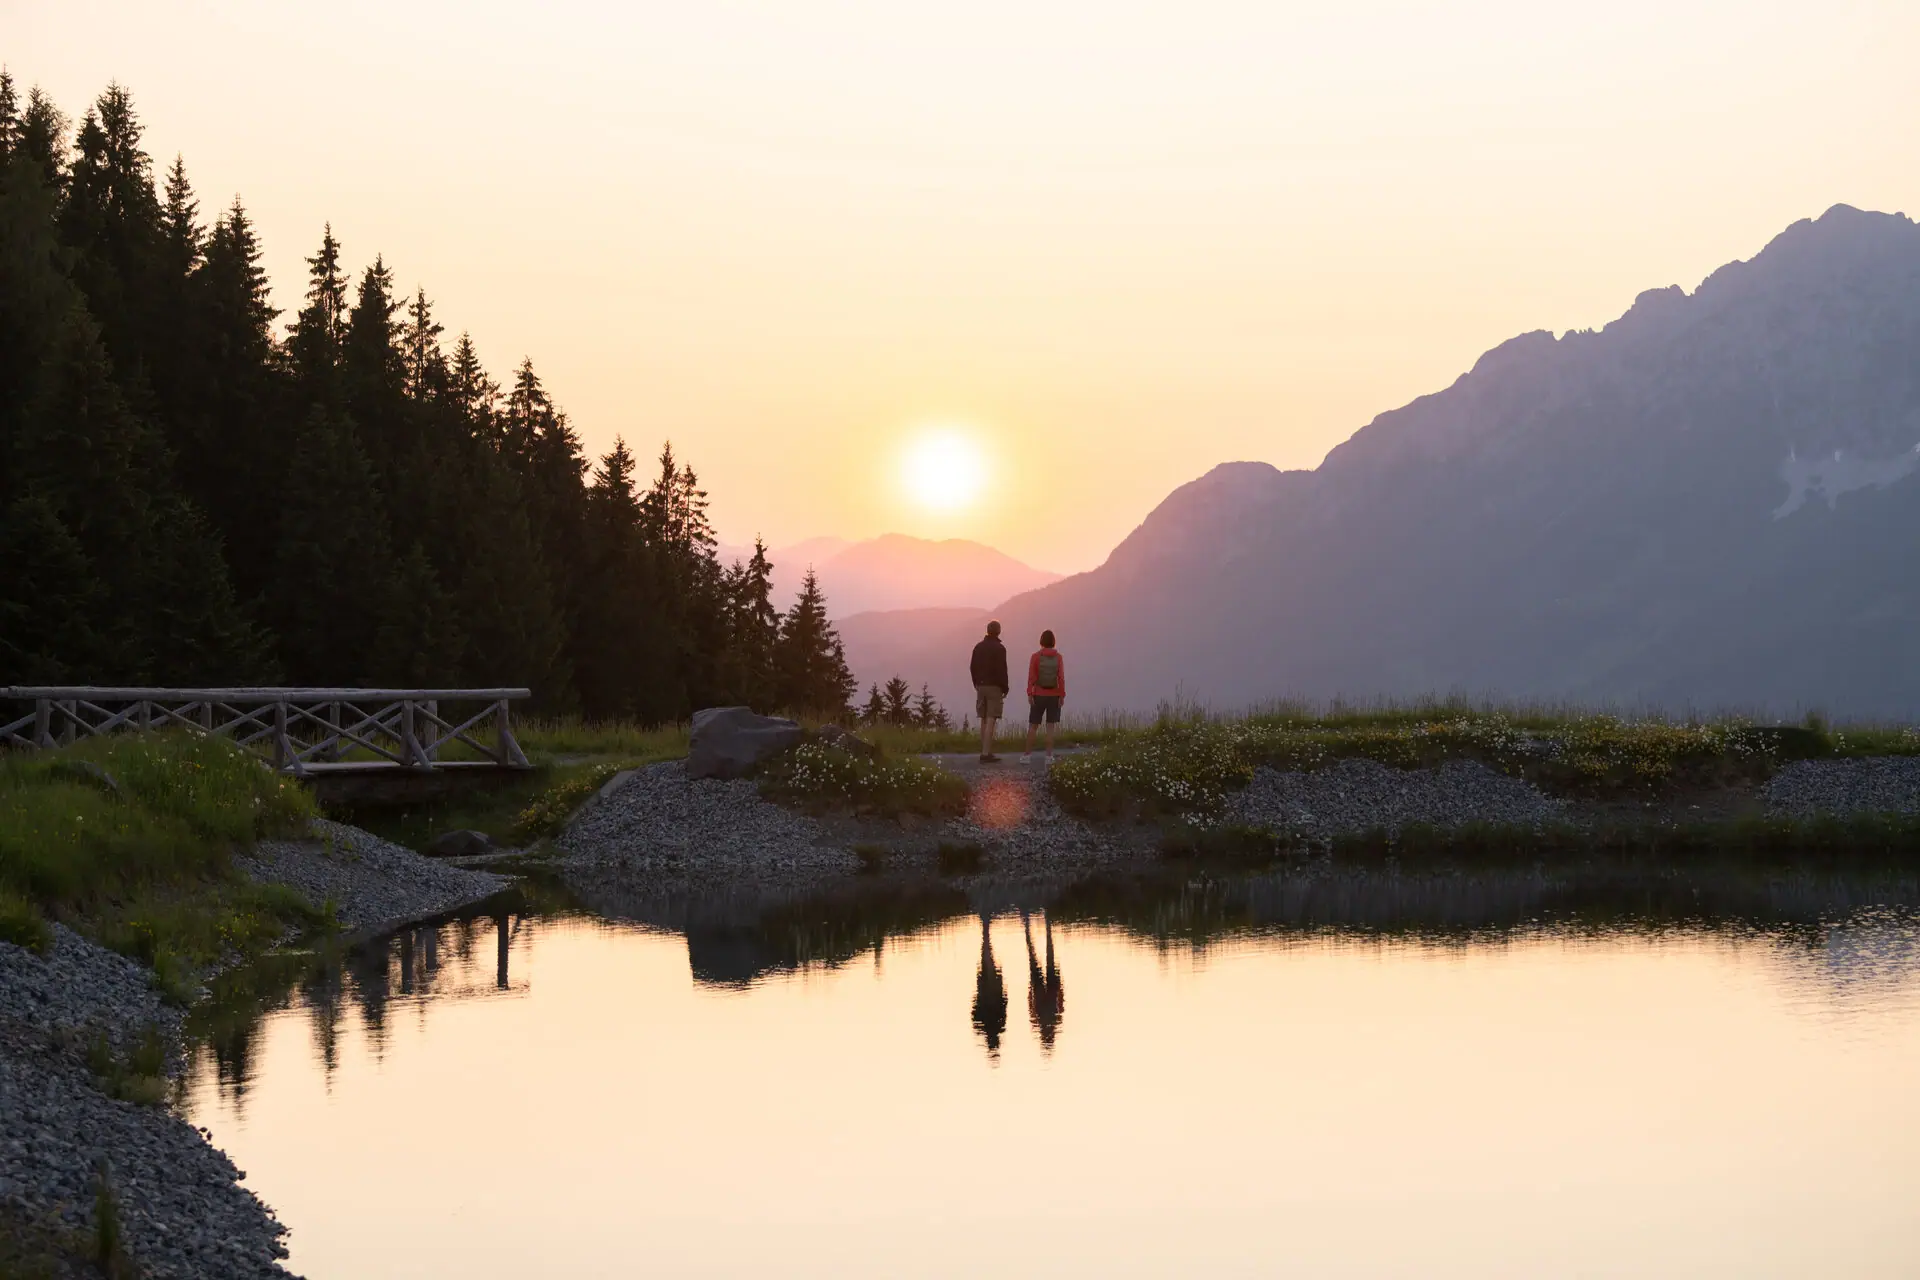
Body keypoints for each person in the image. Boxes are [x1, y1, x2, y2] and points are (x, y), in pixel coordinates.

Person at [969, 620, 1010, 763]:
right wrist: (1005, 687)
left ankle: (984, 750)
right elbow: (1002, 670)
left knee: (983, 718)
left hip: (980, 686)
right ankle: (986, 753)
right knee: (991, 719)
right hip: (994, 687)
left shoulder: (978, 647)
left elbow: (972, 667)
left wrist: (976, 682)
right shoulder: (1000, 649)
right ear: (998, 631)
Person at [1023, 629, 1065, 763]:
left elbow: (1031, 677)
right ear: (1053, 642)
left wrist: (1030, 693)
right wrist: (1061, 695)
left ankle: (1026, 756)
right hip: (1054, 696)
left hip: (1038, 695)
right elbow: (1061, 678)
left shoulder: (1035, 657)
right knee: (1050, 727)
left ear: (1041, 641)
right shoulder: (1058, 657)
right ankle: (1048, 756)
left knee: (1033, 726)